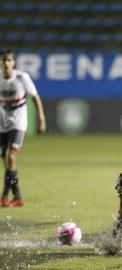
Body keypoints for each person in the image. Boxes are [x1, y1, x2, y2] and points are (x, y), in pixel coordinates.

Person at [0, 49, 46, 207]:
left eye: (8, 60)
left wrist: (41, 118)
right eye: (3, 60)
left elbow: (35, 97)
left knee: (10, 157)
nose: (6, 63)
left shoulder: (22, 78)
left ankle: (4, 196)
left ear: (13, 62)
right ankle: (17, 196)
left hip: (18, 123)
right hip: (2, 125)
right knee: (7, 162)